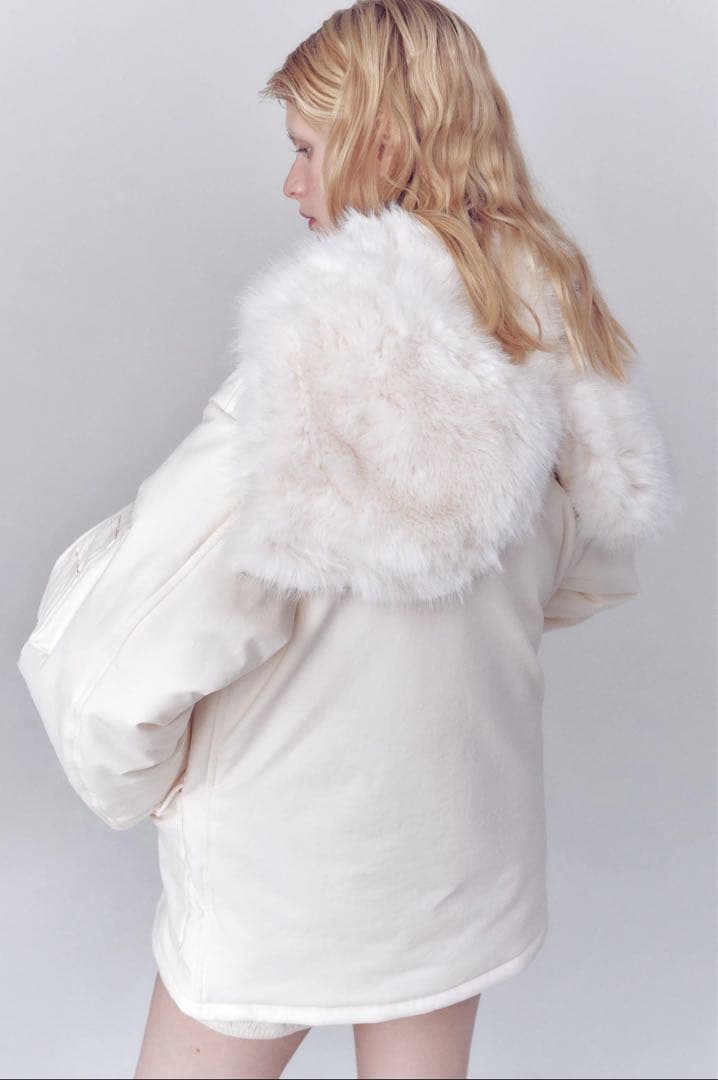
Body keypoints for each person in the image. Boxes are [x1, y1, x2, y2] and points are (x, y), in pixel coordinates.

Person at [16, 1, 676, 1078]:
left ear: (384, 148)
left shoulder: (313, 372)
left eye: (307, 148)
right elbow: (586, 572)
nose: (292, 185)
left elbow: (113, 663)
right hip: (458, 865)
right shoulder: (547, 335)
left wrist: (162, 787)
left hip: (281, 878)